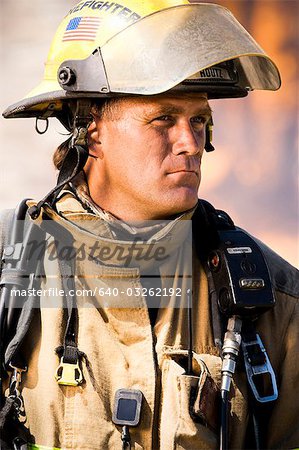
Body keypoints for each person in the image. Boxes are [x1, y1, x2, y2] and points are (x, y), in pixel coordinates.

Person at [0, 1, 298, 449]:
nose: (190, 143)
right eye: (163, 118)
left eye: (199, 120)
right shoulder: (11, 272)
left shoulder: (270, 297)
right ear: (91, 127)